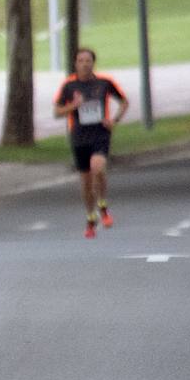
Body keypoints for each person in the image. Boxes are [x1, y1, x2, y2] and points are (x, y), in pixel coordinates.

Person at [52, 49, 129, 238]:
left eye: (88, 60)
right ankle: (90, 217)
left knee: (98, 167)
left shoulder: (104, 82)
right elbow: (57, 112)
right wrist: (73, 106)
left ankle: (103, 205)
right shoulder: (69, 86)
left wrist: (114, 120)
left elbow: (124, 102)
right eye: (81, 61)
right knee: (86, 183)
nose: (85, 64)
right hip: (79, 137)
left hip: (100, 134)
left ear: (93, 63)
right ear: (75, 64)